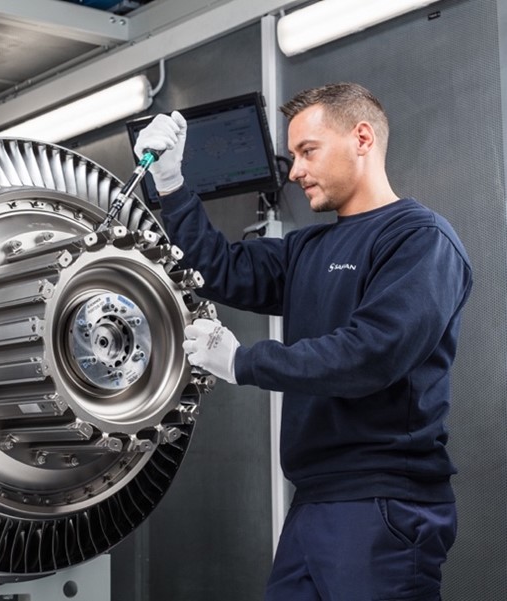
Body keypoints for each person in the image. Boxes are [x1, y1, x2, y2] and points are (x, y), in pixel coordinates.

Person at [133, 82, 472, 600]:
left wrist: (243, 362)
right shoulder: (307, 247)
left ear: (362, 138)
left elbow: (370, 355)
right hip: (314, 500)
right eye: (293, 155)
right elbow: (216, 269)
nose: (294, 171)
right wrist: (172, 182)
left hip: (381, 503)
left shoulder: (418, 239)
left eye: (307, 151)